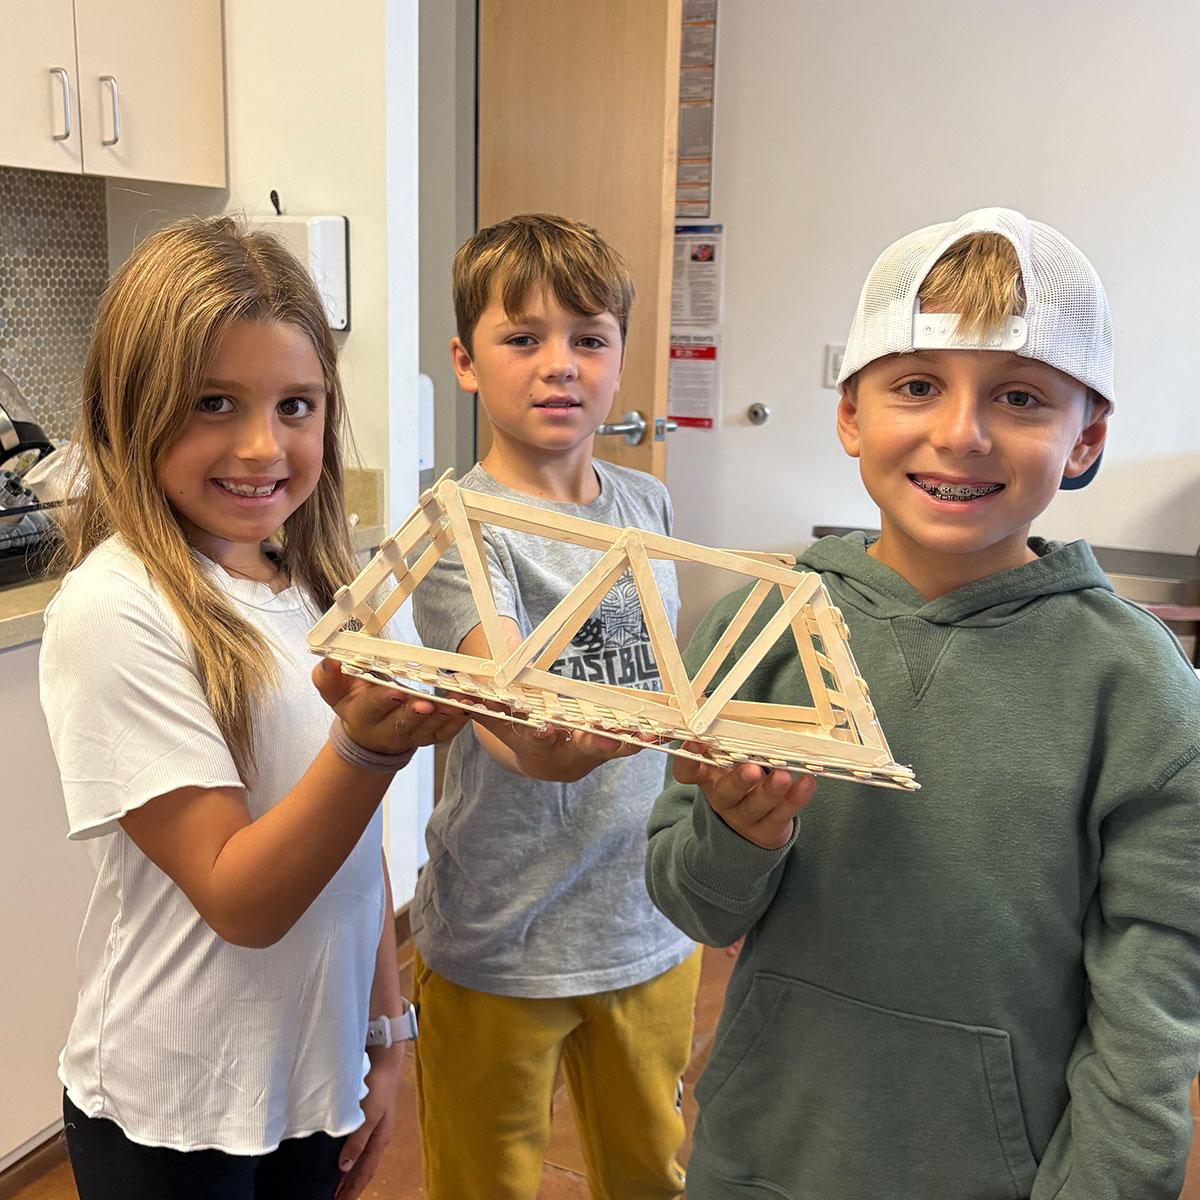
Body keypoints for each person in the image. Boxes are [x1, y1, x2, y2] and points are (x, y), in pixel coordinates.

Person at [645, 206, 1200, 1199]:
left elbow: (1158, 981)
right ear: (852, 414)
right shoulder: (756, 626)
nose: (961, 433)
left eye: (1022, 397)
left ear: (1087, 437)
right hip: (760, 1155)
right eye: (916, 385)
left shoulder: (1135, 684)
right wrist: (744, 835)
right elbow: (691, 899)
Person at [40, 216, 467, 1200]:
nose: (260, 445)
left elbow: (354, 857)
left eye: (297, 404)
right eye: (213, 403)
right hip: (175, 1110)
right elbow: (241, 898)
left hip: (302, 1077)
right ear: (127, 409)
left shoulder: (309, 583)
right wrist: (366, 749)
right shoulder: (118, 609)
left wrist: (383, 1032)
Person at [409, 212, 701, 1200]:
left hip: (644, 915)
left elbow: (667, 672)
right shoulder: (455, 527)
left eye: (588, 338)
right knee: (483, 1184)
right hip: (502, 929)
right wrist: (585, 735)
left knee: (647, 1176)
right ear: (466, 360)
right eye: (522, 338)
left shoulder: (648, 503)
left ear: (620, 357)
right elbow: (518, 734)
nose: (558, 364)